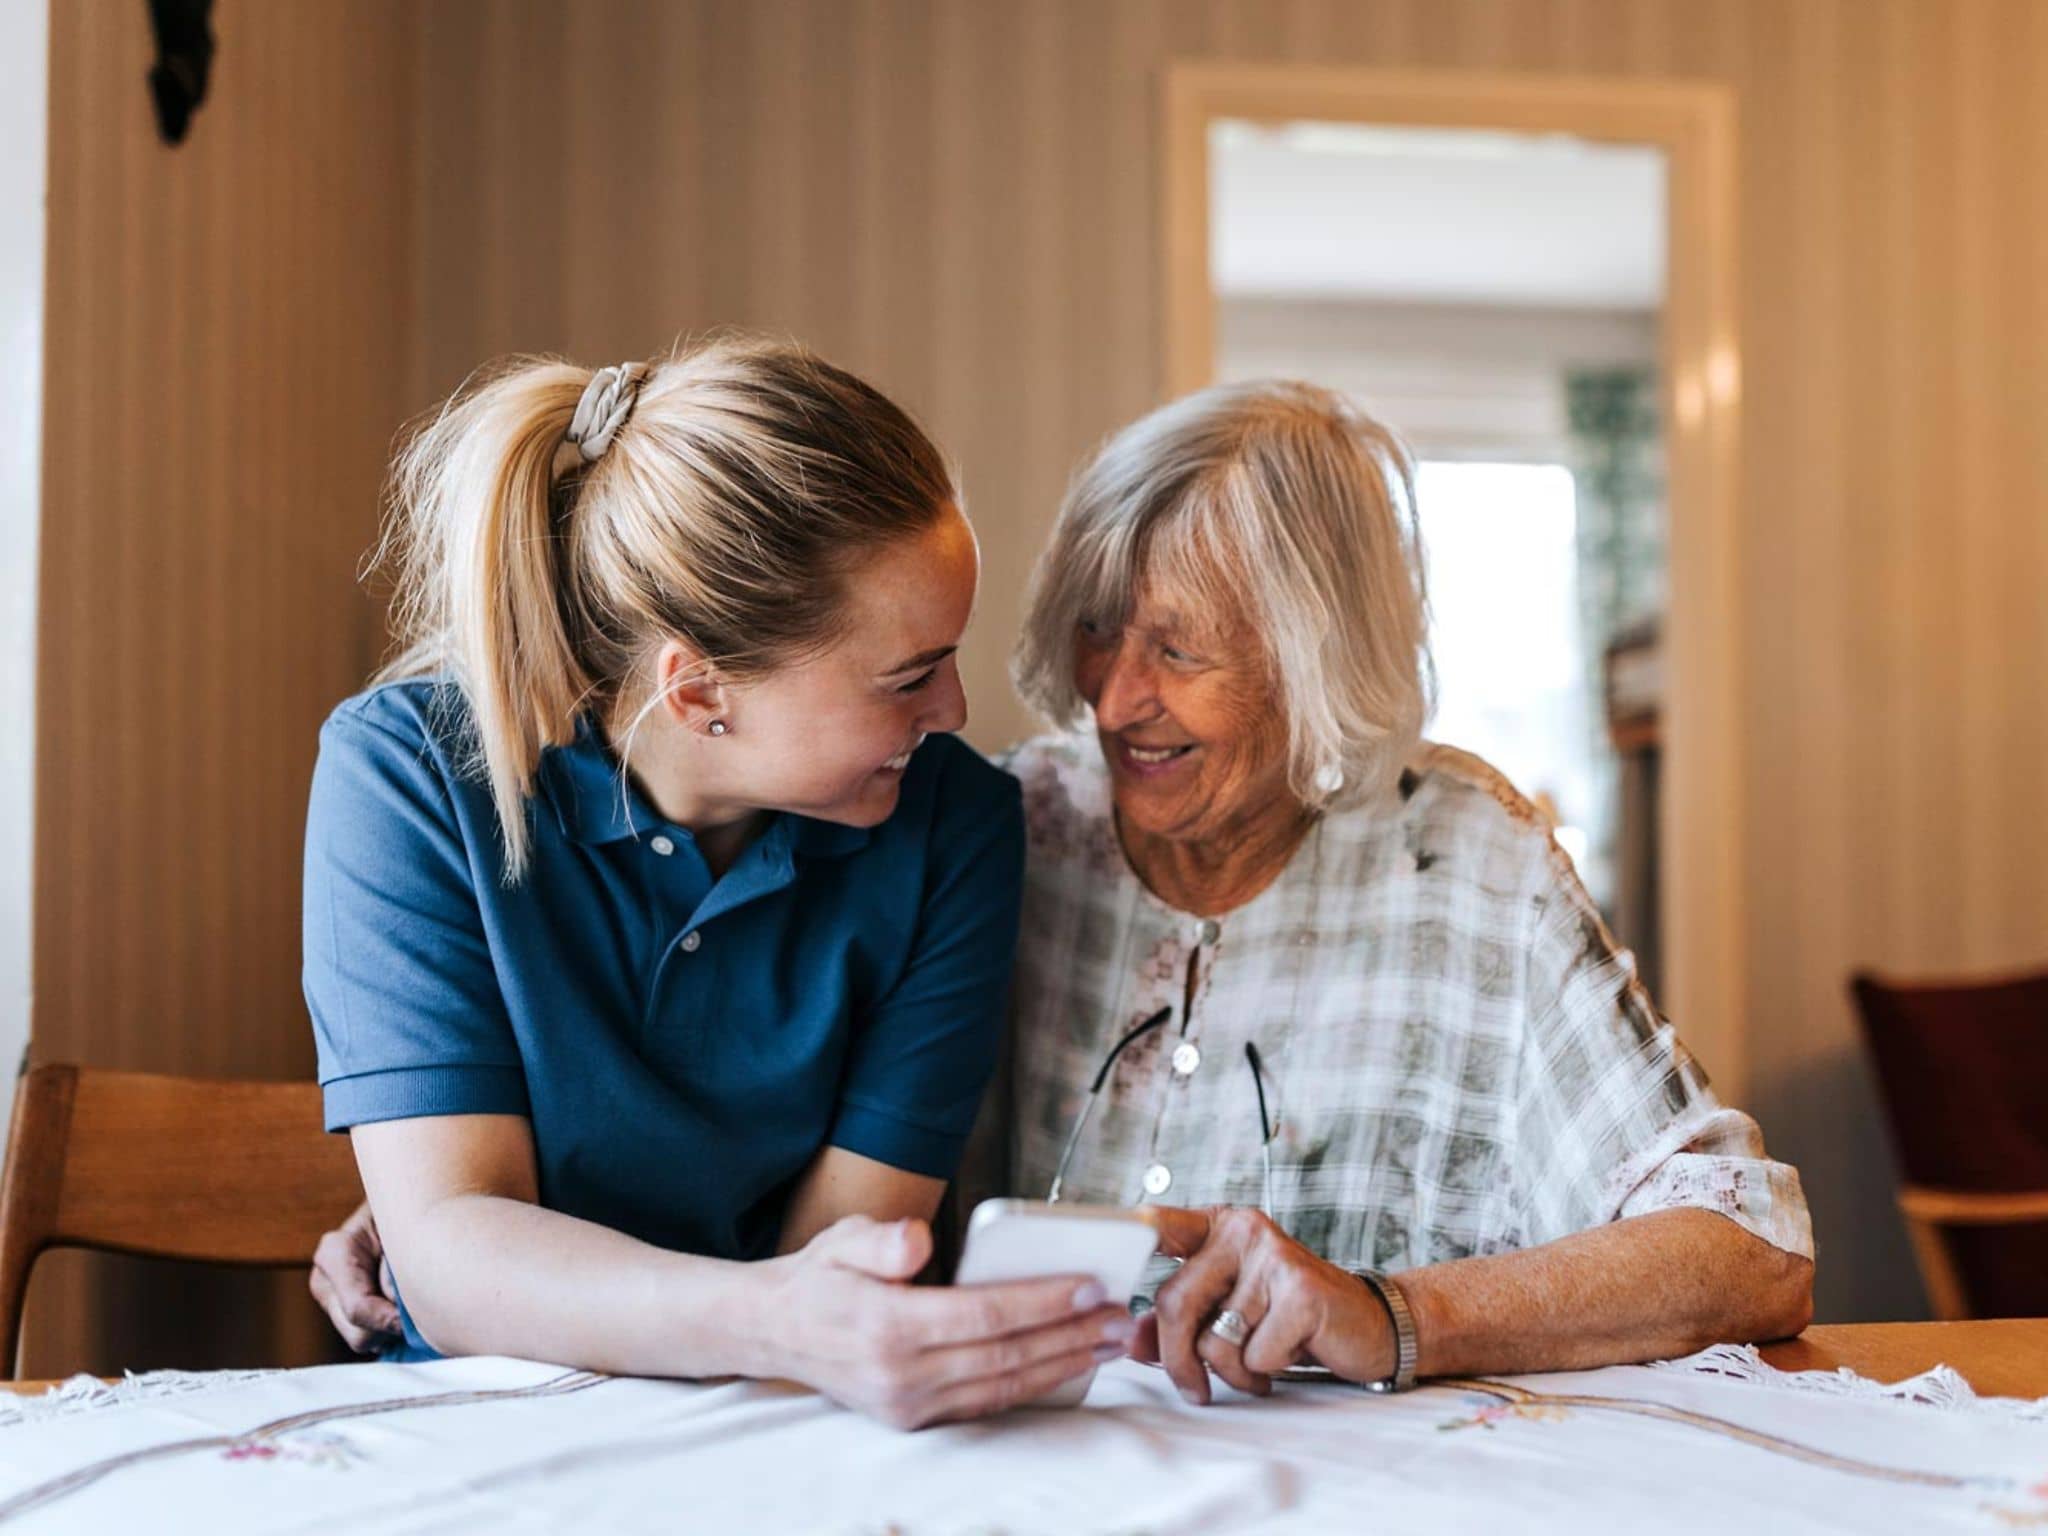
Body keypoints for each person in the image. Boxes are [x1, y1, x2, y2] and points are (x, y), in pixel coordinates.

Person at [315, 376, 1813, 1407]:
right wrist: (458, 1228)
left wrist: (1392, 1313)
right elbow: (794, 1248)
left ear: (1319, 662)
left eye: (1181, 648)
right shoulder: (1027, 816)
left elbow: (1748, 1243)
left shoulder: (1450, 859)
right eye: (1097, 630)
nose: (1109, 698)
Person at [302, 337, 1132, 1431]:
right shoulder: (412, 775)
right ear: (697, 694)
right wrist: (771, 1317)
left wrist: (780, 1324)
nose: (955, 711)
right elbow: (457, 1261)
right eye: (908, 678)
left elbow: (846, 1258)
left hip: (781, 1423)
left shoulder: (953, 827)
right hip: (485, 1423)